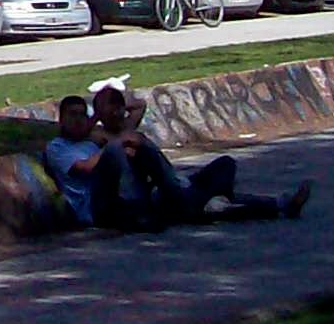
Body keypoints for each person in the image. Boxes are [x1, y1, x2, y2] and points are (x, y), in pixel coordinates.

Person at [42, 89, 308, 231]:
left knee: (223, 172)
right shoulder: (58, 147)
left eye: (82, 114)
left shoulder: (94, 139)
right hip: (101, 208)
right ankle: (180, 196)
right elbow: (87, 167)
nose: (78, 120)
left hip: (142, 196)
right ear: (61, 119)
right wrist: (119, 143)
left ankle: (280, 204)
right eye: (72, 115)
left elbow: (137, 111)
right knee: (124, 146)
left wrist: (120, 138)